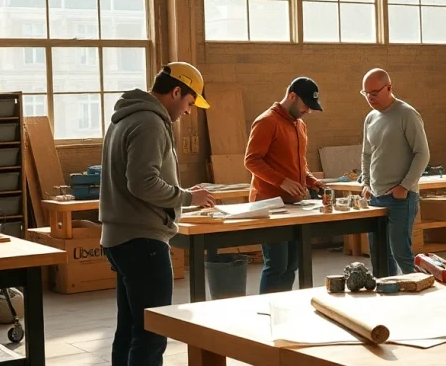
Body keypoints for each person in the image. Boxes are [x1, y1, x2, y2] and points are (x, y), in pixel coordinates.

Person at [100, 62, 217, 366]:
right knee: (151, 334)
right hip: (142, 241)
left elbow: (141, 177)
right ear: (176, 91)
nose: (189, 111)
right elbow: (142, 183)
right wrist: (188, 197)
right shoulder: (150, 122)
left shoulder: (125, 118)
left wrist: (178, 190)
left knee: (129, 329)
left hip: (120, 237)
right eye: (189, 102)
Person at [244, 77, 326, 293]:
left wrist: (311, 181)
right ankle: (268, 312)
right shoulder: (267, 122)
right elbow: (251, 160)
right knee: (276, 265)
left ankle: (283, 311)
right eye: (305, 105)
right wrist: (282, 181)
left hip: (294, 206)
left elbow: (299, 163)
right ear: (292, 96)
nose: (308, 110)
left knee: (291, 265)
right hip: (269, 205)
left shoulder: (300, 125)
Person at [359, 68, 430, 275]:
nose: (370, 98)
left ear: (389, 88)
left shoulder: (406, 114)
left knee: (401, 254)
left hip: (400, 198)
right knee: (379, 255)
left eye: (374, 92)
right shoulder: (370, 118)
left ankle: (416, 294)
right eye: (366, 93)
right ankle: (386, 295)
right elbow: (366, 153)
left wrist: (404, 186)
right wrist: (365, 183)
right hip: (375, 196)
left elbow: (422, 153)